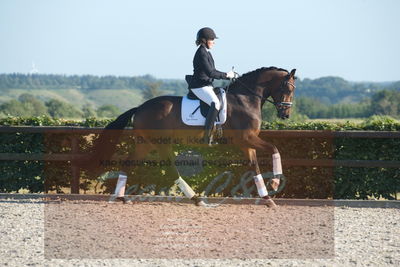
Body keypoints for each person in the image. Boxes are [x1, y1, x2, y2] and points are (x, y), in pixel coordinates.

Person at [188, 27, 236, 144]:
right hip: (199, 86)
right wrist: (227, 75)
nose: (214, 42)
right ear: (204, 40)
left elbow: (212, 70)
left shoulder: (206, 52)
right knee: (215, 103)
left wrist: (227, 74)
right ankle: (207, 137)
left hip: (206, 85)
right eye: (212, 39)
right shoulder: (201, 53)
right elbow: (211, 73)